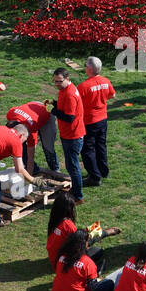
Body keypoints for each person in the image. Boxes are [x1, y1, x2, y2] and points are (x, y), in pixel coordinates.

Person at [51, 230, 115, 291]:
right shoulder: (87, 262)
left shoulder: (62, 257)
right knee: (109, 283)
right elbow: (93, 287)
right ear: (84, 244)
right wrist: (98, 275)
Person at [45, 192, 114, 269]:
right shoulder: (68, 225)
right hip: (65, 262)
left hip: (54, 259)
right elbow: (80, 246)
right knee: (97, 251)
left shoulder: (54, 220)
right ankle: (105, 233)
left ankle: (105, 232)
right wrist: (92, 234)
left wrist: (87, 229)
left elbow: (71, 236)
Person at [78, 57, 115, 187]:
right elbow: (112, 95)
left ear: (89, 69)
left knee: (87, 149)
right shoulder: (105, 81)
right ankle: (103, 171)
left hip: (89, 121)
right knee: (101, 145)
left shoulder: (84, 86)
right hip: (103, 119)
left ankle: (94, 177)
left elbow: (76, 103)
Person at [52, 67, 86, 202]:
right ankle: (76, 191)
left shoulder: (70, 94)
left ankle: (78, 196)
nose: (57, 84)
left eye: (59, 81)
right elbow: (64, 108)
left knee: (72, 166)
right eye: (55, 81)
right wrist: (55, 104)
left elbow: (69, 117)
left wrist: (53, 111)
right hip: (70, 134)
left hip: (73, 135)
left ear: (67, 78)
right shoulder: (65, 89)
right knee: (71, 164)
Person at [5, 100, 59, 174]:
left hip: (46, 113)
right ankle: (32, 169)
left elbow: (31, 158)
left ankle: (55, 169)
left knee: (48, 147)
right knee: (21, 146)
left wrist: (29, 180)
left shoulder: (32, 133)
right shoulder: (10, 114)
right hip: (32, 109)